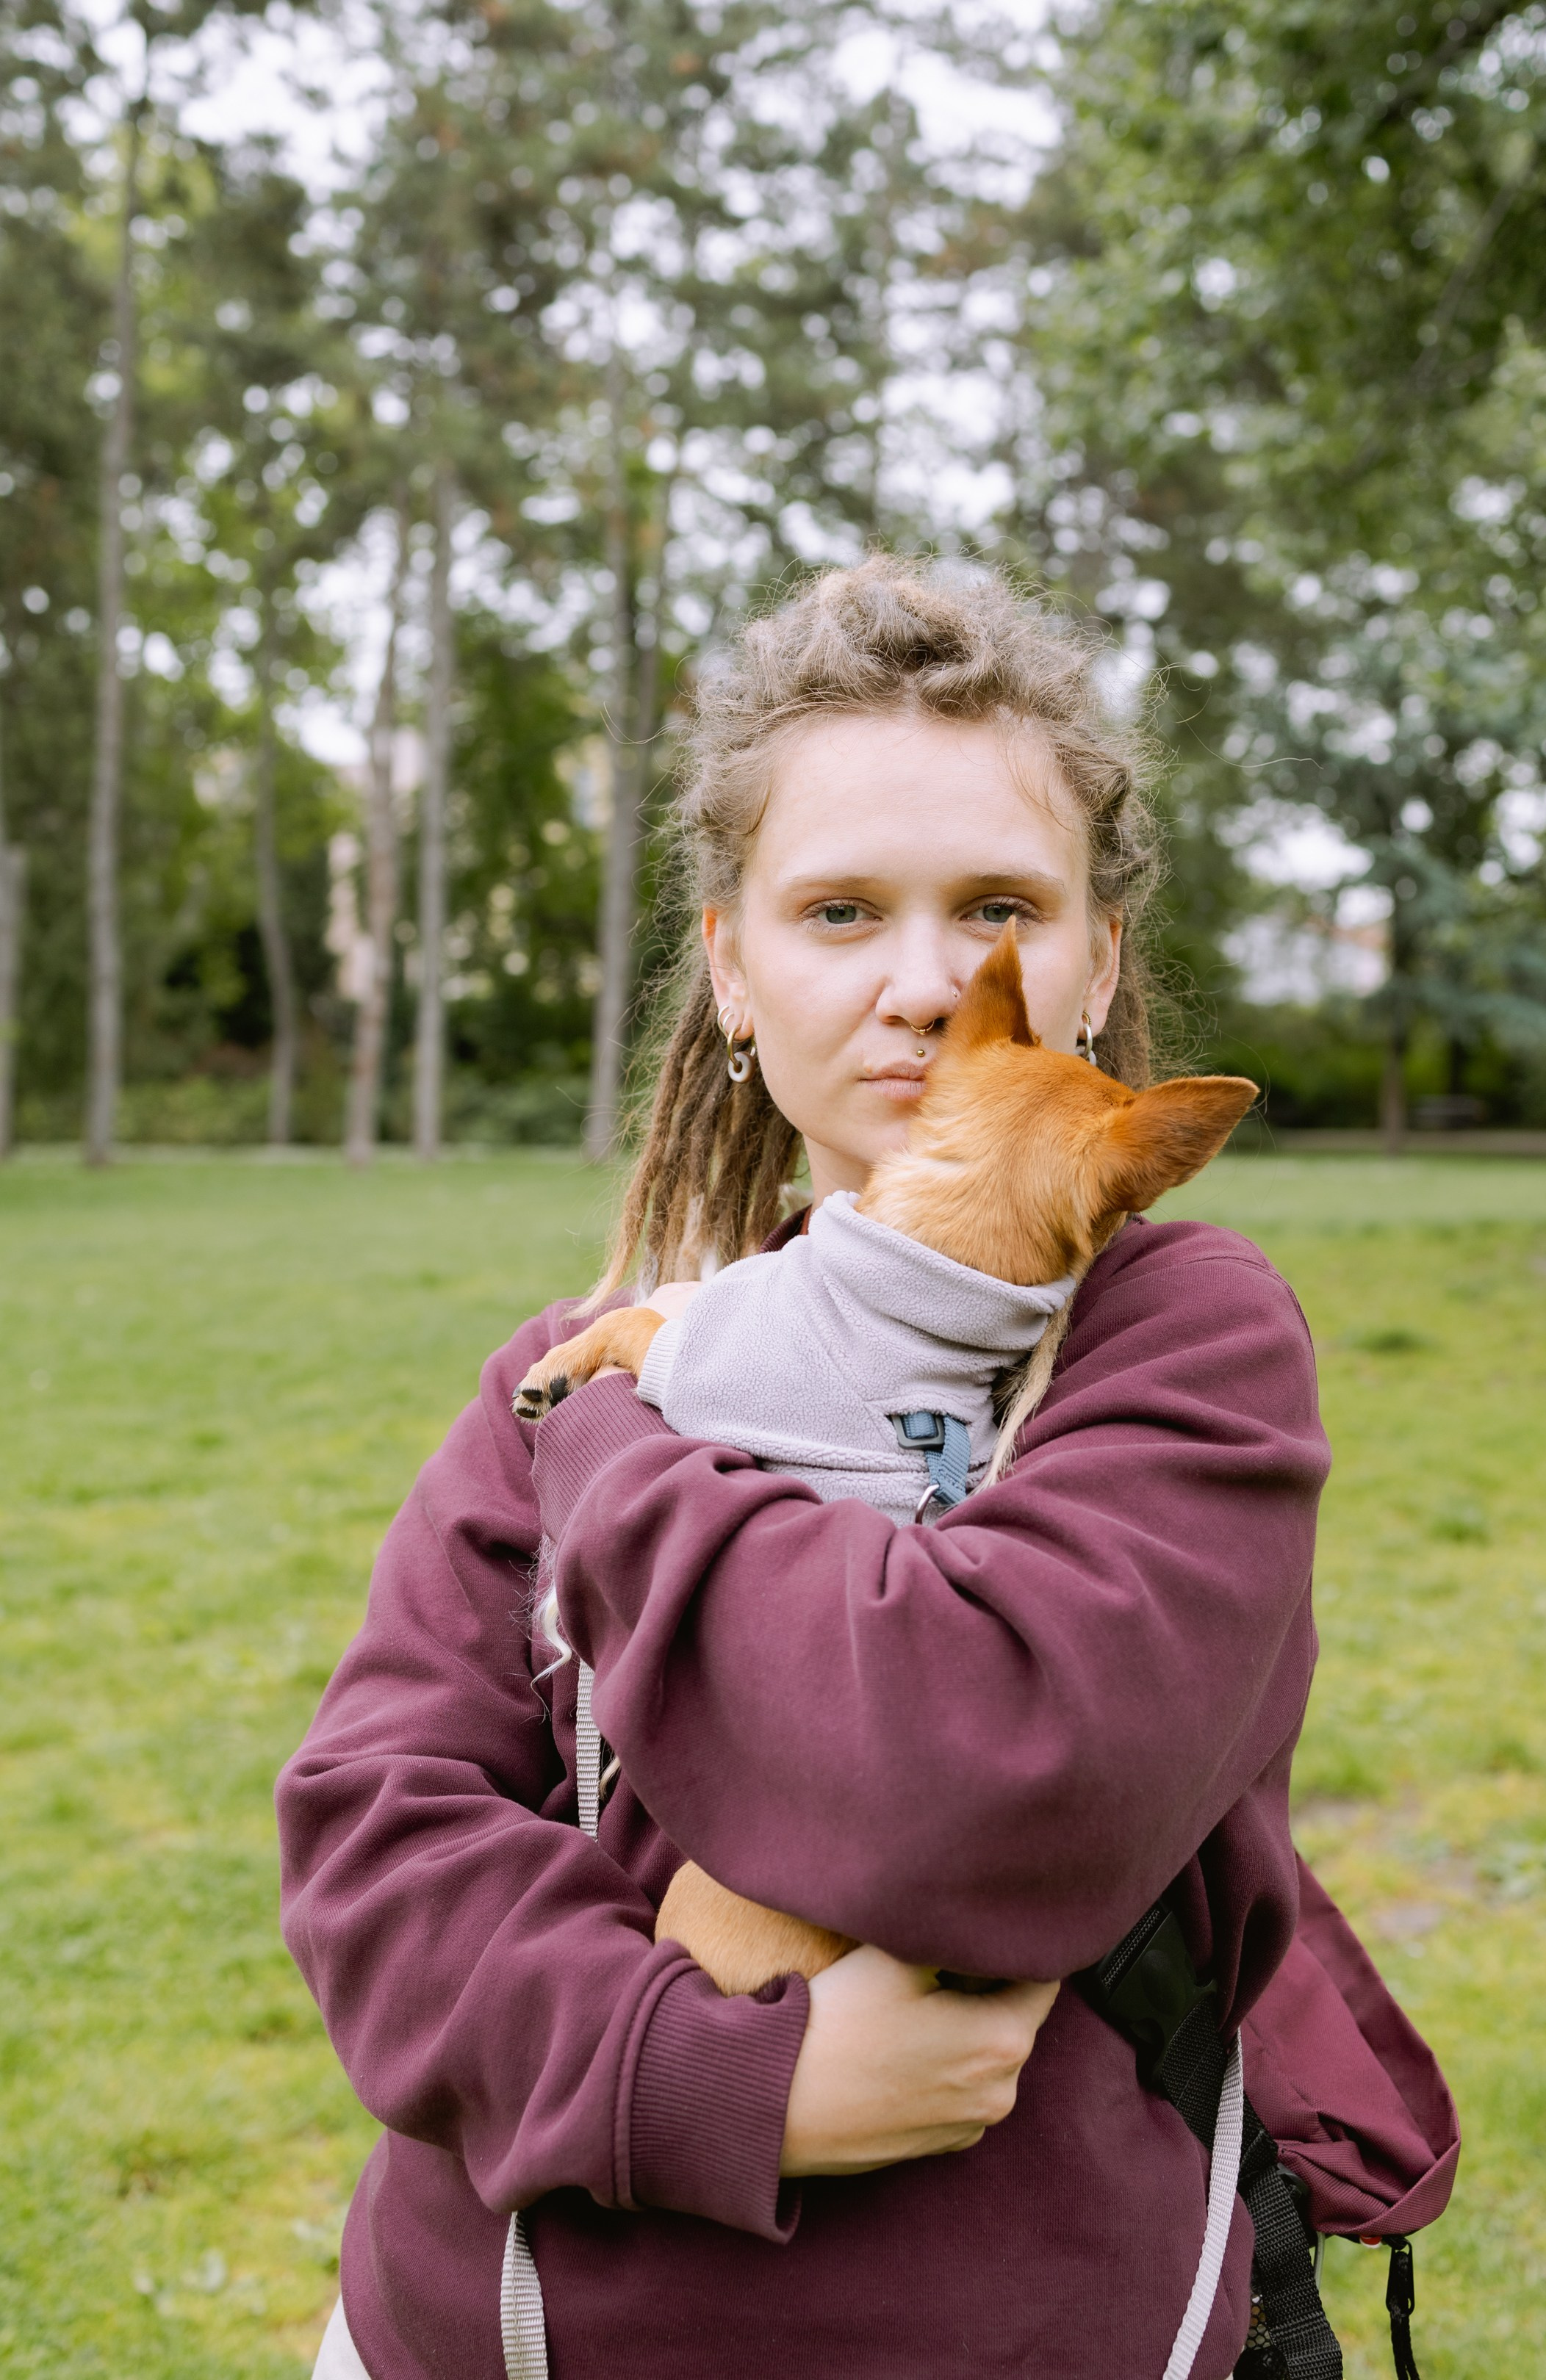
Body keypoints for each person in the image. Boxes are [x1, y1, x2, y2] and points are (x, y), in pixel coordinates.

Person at [278, 558, 1330, 2380]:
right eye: (840, 910)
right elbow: (378, 1845)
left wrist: (622, 1423)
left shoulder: (1180, 1342)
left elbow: (984, 1781)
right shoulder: (559, 1370)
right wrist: (710, 2077)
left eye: (998, 909)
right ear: (733, 972)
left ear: (1092, 966)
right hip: (482, 2333)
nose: (922, 985)